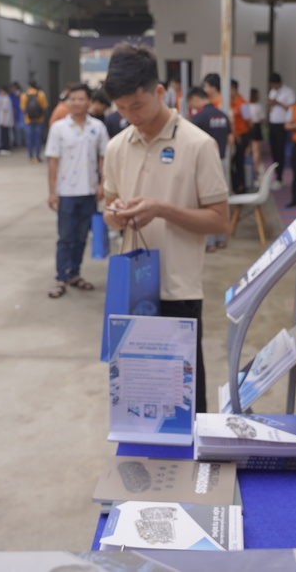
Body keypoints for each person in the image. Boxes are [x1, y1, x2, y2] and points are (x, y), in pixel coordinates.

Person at [102, 44, 229, 414]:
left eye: (137, 106)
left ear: (160, 92)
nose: (130, 116)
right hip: (131, 285)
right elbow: (109, 204)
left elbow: (219, 220)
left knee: (183, 399)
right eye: (121, 109)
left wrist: (161, 209)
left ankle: (192, 466)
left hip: (178, 287)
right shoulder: (116, 147)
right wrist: (117, 213)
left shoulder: (197, 145)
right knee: (138, 395)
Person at [45, 84, 109, 299]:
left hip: (89, 191)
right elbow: (53, 161)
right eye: (73, 99)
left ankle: (75, 274)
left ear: (89, 101)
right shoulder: (59, 128)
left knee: (82, 236)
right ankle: (60, 278)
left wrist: (102, 185)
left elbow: (103, 157)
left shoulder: (98, 127)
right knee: (65, 237)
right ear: (68, 101)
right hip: (66, 192)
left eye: (81, 99)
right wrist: (52, 191)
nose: (77, 103)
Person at [186, 87, 231, 252]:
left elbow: (189, 142)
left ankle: (209, 243)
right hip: (222, 160)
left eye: (190, 103)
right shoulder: (222, 115)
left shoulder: (198, 118)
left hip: (205, 164)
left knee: (207, 204)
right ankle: (221, 239)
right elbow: (230, 138)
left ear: (195, 99)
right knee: (220, 201)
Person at [266, 72, 294, 190]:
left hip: (282, 124)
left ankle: (280, 177)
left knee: (280, 150)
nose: (273, 87)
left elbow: (292, 108)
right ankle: (277, 175)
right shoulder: (272, 91)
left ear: (280, 83)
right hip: (273, 123)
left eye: (275, 85)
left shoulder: (288, 92)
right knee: (273, 150)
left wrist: (277, 103)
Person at [228, 80, 252, 194]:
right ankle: (237, 184)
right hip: (233, 136)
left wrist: (244, 136)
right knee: (231, 161)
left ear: (234, 89)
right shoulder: (227, 102)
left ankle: (241, 185)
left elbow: (249, 122)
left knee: (239, 161)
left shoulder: (242, 104)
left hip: (242, 136)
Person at [21, 81, 48, 162]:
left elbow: (22, 107)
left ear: (28, 86)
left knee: (29, 138)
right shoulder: (41, 94)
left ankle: (30, 157)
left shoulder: (24, 95)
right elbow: (45, 106)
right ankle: (37, 157)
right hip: (39, 119)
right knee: (38, 138)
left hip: (28, 119)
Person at [248, 87, 265, 177]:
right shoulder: (258, 106)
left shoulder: (246, 105)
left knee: (247, 149)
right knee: (256, 150)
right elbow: (262, 119)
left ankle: (248, 167)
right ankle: (255, 168)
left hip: (248, 127)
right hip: (256, 127)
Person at [9, 82, 26, 149]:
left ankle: (26, 143)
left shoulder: (23, 95)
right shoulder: (11, 95)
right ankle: (19, 143)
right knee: (17, 131)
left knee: (24, 130)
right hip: (16, 115)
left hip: (23, 114)